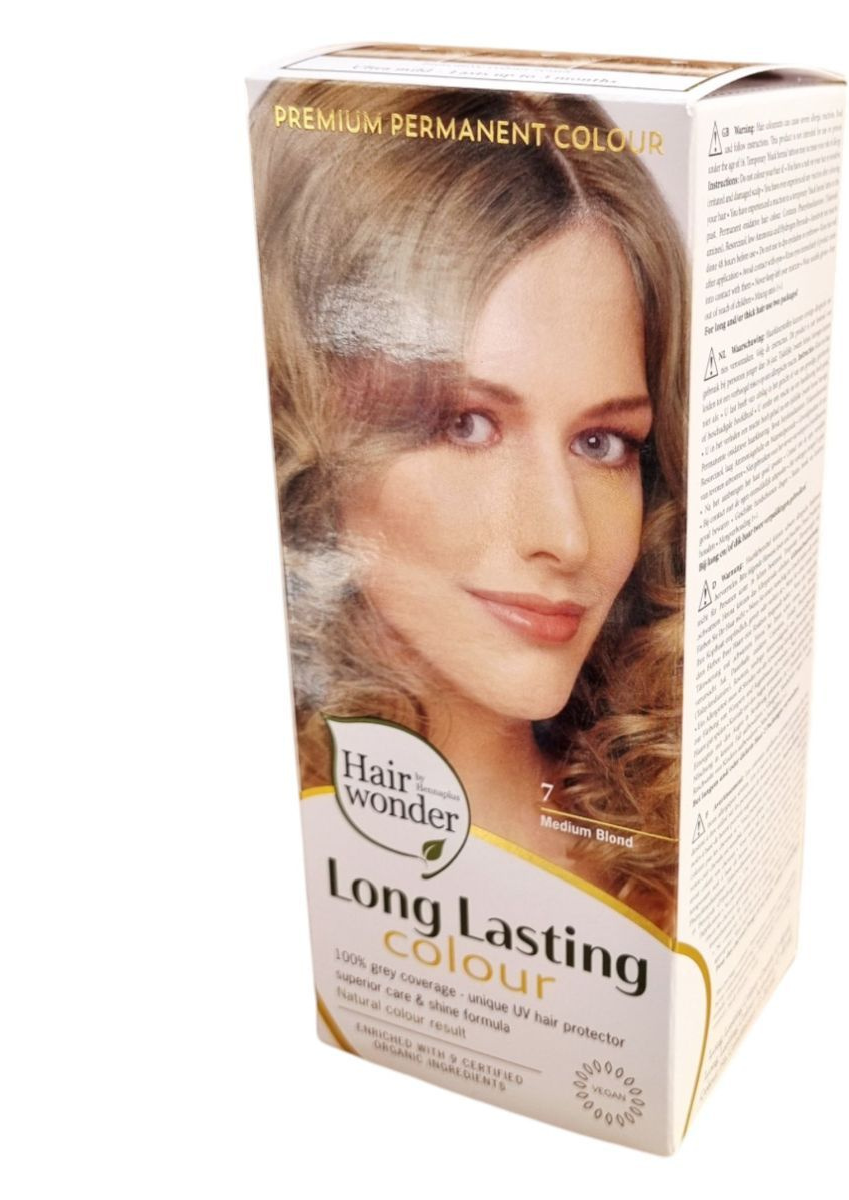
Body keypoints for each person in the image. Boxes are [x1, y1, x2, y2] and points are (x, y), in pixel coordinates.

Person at [251, 80, 688, 931]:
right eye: (467, 424)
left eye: (603, 443)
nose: (565, 537)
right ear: (300, 418)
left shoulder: (670, 893)